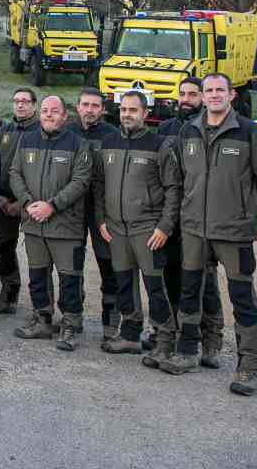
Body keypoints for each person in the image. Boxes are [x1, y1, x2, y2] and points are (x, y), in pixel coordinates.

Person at [159, 72, 257, 397]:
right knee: (190, 292)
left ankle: (248, 366)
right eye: (208, 90)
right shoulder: (189, 131)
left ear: (232, 95)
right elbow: (181, 177)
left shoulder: (249, 132)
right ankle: (187, 351)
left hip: (234, 232)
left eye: (219, 90)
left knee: (242, 299)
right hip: (195, 230)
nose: (213, 95)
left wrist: (243, 209)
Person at [92, 90, 181, 363]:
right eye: (123, 110)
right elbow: (98, 185)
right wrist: (101, 220)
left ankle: (164, 339)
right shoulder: (108, 143)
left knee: (156, 286)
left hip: (148, 229)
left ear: (145, 113)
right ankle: (130, 335)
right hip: (116, 229)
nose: (127, 115)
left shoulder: (159, 145)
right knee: (123, 283)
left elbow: (173, 188)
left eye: (133, 110)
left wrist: (165, 226)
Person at [9, 95, 92, 350]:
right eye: (44, 110)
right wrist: (27, 203)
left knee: (70, 279)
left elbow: (81, 181)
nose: (48, 115)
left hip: (65, 226)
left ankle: (70, 325)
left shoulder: (78, 144)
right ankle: (42, 320)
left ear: (65, 116)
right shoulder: (27, 140)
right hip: (34, 223)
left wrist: (52, 206)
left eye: (54, 111)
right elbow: (15, 172)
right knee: (37, 275)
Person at [154, 76, 224, 364]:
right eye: (182, 94)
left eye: (193, 94)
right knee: (171, 276)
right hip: (171, 216)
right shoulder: (166, 128)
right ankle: (172, 332)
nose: (186, 99)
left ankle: (211, 341)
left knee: (204, 282)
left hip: (201, 219)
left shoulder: (210, 129)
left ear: (204, 98)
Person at [69, 88, 123, 344]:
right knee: (72, 263)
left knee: (108, 264)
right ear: (77, 107)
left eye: (95, 106)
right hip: (71, 208)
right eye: (85, 105)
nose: (89, 110)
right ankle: (73, 315)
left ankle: (111, 321)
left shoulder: (113, 135)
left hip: (103, 210)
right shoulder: (67, 133)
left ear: (103, 110)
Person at [0, 88, 37, 315]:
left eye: (25, 101)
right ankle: (4, 294)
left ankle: (17, 297)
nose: (20, 105)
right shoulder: (4, 130)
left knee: (18, 249)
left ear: (34, 104)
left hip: (26, 202)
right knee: (3, 247)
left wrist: (20, 202)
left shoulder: (40, 132)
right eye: (16, 101)